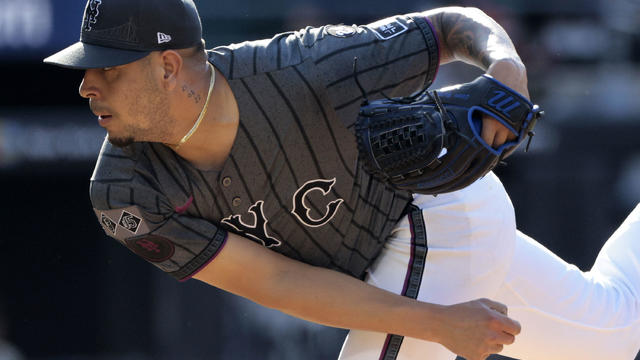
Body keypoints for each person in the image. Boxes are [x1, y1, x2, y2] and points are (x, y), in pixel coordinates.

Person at [43, 0, 640, 359]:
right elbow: (276, 279)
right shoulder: (124, 192)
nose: (86, 85)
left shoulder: (305, 67)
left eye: (107, 70)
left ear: (168, 66)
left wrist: (507, 68)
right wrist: (439, 323)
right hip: (379, 261)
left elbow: (456, 26)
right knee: (611, 334)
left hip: (433, 214)